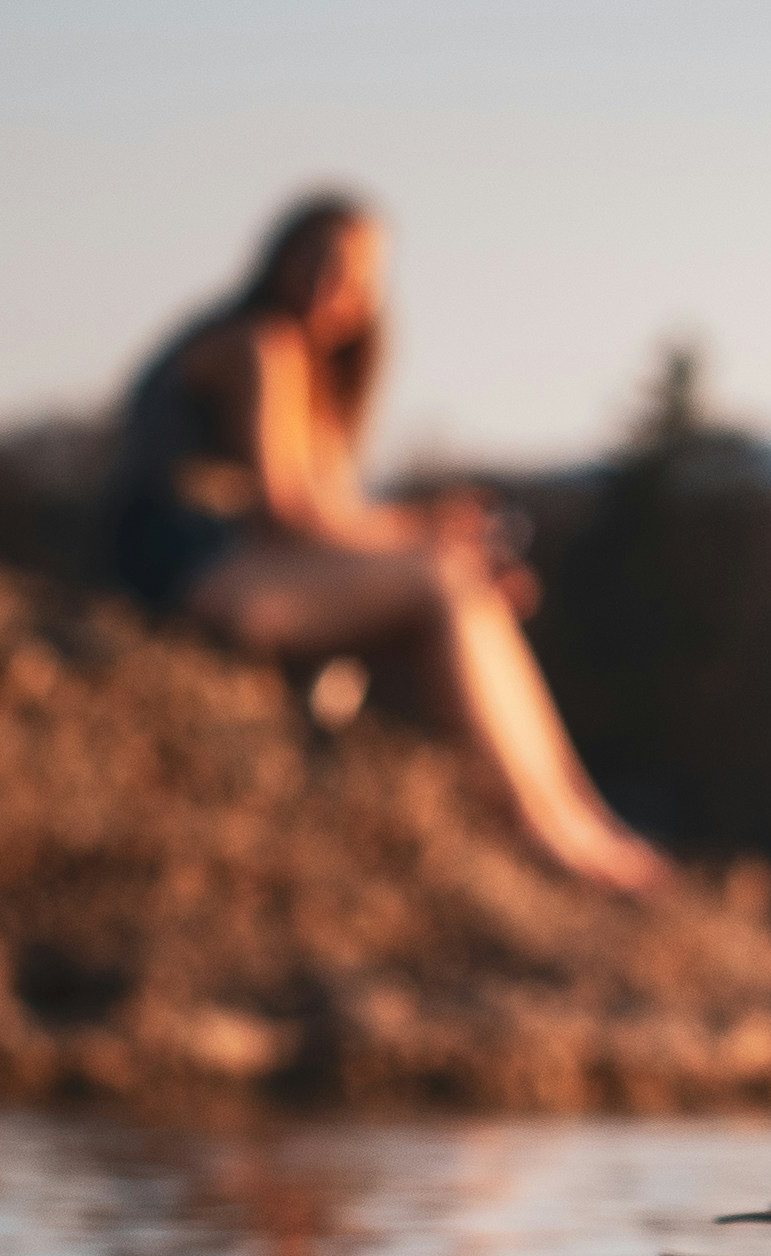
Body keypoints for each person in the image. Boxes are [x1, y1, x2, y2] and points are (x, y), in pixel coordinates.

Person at [101, 193, 669, 892]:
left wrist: (437, 539)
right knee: (441, 578)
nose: (329, 285)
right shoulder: (259, 345)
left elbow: (333, 518)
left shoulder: (307, 379)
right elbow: (294, 512)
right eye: (317, 260)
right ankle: (540, 826)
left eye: (354, 274)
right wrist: (429, 529)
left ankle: (577, 817)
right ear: (279, 258)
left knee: (459, 582)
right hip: (189, 581)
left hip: (239, 576)